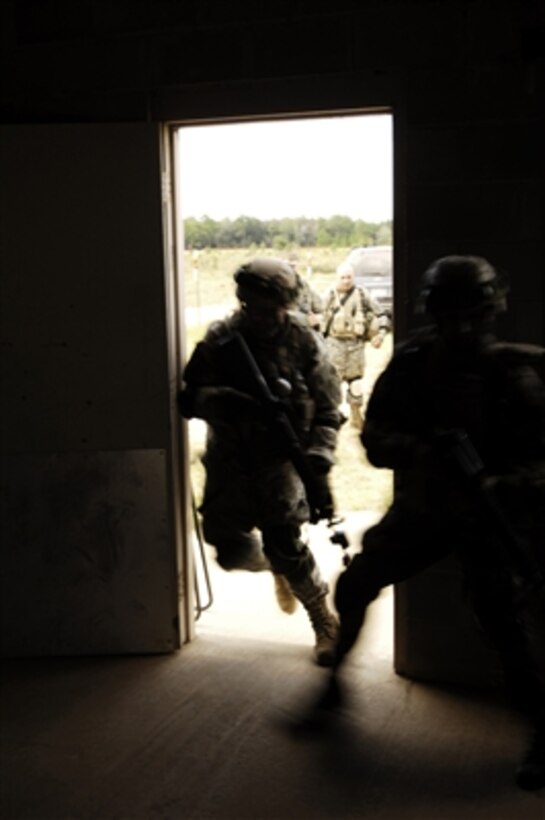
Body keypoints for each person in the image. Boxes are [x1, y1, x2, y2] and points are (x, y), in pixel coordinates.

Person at [325, 255, 545, 790]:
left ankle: (542, 734)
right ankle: (329, 686)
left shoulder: (516, 370)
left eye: (476, 316)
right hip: (427, 508)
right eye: (453, 317)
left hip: (491, 520)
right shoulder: (414, 362)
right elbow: (375, 439)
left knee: (506, 628)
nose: (465, 329)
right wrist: (423, 452)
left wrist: (506, 484)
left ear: (494, 311)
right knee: (355, 584)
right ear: (435, 313)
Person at [178, 257, 343, 666]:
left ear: (286, 305)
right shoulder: (221, 339)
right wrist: (224, 402)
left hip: (280, 464)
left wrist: (318, 457)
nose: (264, 318)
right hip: (230, 461)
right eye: (254, 308)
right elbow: (188, 398)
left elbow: (327, 410)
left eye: (273, 309)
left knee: (286, 543)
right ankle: (277, 568)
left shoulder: (304, 342)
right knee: (229, 550)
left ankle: (323, 621)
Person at [321, 260, 391, 428]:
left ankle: (355, 415)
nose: (346, 280)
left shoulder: (362, 294)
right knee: (332, 383)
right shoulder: (328, 296)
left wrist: (380, 334)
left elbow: (382, 314)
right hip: (334, 344)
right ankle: (332, 415)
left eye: (349, 277)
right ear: (337, 278)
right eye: (343, 277)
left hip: (356, 345)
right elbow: (317, 318)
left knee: (356, 382)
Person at [285, 252, 323, 331]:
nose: (290, 269)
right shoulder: (274, 288)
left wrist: (316, 319)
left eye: (293, 266)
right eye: (286, 266)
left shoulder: (304, 286)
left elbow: (321, 307)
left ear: (298, 267)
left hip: (303, 332)